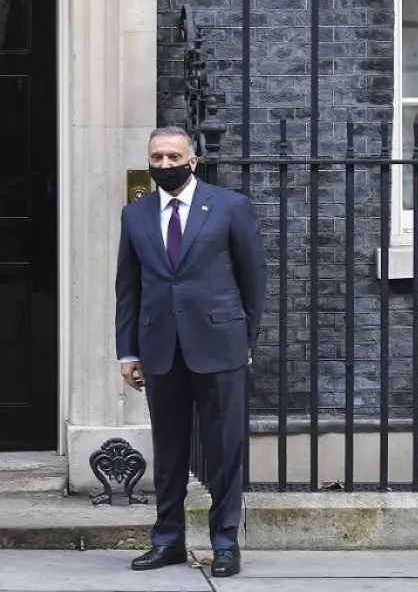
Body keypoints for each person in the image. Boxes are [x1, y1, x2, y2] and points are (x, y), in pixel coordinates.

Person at [115, 126, 267, 578]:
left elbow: (253, 280)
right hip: (159, 348)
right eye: (157, 157)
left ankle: (225, 543)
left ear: (192, 160)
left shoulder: (230, 207)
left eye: (173, 156)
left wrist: (246, 342)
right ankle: (168, 540)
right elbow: (128, 288)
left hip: (219, 345)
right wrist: (128, 352)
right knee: (169, 449)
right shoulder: (135, 215)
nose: (165, 164)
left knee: (223, 450)